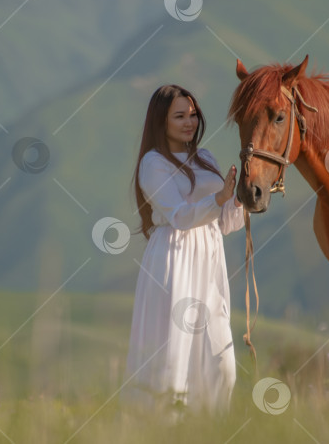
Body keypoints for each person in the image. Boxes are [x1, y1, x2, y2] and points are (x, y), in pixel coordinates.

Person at [122, 84, 245, 419]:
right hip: (175, 258)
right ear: (161, 122)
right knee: (173, 354)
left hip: (208, 255)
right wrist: (218, 200)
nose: (189, 122)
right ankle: (162, 429)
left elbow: (226, 223)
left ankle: (213, 430)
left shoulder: (204, 157)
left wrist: (241, 197)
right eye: (179, 116)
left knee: (221, 363)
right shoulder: (153, 163)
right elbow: (178, 216)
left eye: (192, 114)